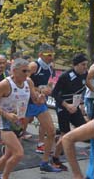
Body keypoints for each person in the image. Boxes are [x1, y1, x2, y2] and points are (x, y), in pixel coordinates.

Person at [0, 58, 47, 179]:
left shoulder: (29, 82)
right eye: (24, 71)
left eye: (28, 71)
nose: (27, 74)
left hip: (19, 122)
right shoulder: (5, 84)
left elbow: (34, 99)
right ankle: (5, 177)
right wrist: (6, 114)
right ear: (14, 71)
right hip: (5, 122)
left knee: (8, 154)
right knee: (18, 153)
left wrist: (40, 100)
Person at [23, 44, 61, 172]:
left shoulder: (50, 67)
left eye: (52, 55)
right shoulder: (34, 66)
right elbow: (22, 80)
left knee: (51, 131)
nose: (51, 57)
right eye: (48, 55)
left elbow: (48, 82)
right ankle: (8, 153)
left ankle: (44, 163)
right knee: (19, 132)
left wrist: (48, 88)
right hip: (28, 102)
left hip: (40, 103)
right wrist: (38, 89)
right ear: (40, 55)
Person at [52, 53, 88, 170]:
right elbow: (54, 93)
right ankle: (55, 159)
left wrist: (81, 105)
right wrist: (67, 106)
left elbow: (80, 90)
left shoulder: (84, 74)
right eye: (83, 65)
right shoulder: (65, 76)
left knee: (84, 129)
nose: (85, 67)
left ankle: (63, 141)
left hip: (75, 107)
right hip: (63, 107)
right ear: (76, 65)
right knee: (65, 134)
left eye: (86, 65)